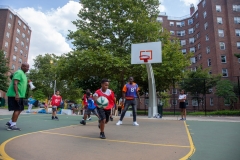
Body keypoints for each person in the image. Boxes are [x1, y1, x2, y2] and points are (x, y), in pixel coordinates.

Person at [5, 63, 29, 131]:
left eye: (28, 67)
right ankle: (12, 125)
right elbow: (15, 83)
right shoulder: (19, 72)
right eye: (27, 67)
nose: (28, 69)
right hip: (15, 95)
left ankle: (10, 122)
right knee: (17, 109)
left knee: (20, 109)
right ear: (22, 67)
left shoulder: (23, 74)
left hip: (20, 95)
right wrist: (17, 94)